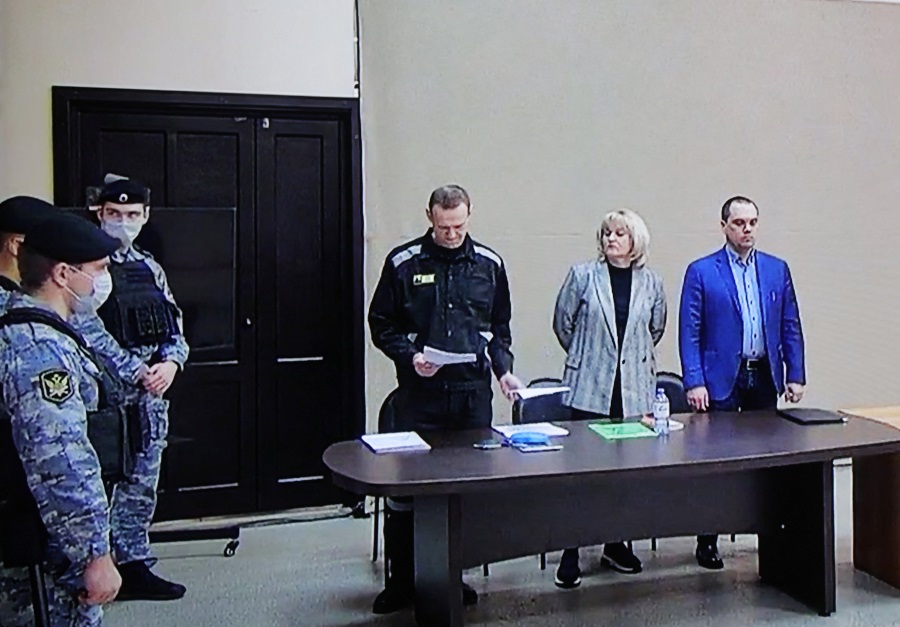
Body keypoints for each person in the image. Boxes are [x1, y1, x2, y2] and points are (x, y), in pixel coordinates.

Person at [368, 184, 523, 614]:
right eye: (443, 227)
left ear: (469, 217)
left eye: (458, 226)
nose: (452, 234)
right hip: (420, 395)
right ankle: (402, 581)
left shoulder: (489, 264)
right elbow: (381, 323)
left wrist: (504, 371)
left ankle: (452, 578)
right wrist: (410, 355)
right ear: (430, 218)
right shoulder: (403, 262)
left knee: (461, 492)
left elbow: (499, 330)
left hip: (471, 397)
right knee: (407, 492)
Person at [0, 211, 125, 626]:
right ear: (63, 274)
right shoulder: (39, 348)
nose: (103, 280)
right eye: (99, 269)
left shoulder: (43, 330)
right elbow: (60, 458)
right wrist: (94, 554)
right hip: (45, 552)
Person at [679, 195, 806, 570]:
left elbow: (790, 324)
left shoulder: (776, 269)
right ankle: (707, 540)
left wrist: (795, 373)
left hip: (763, 374)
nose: (746, 230)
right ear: (724, 226)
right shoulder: (702, 271)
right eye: (738, 223)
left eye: (752, 223)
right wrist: (694, 381)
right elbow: (689, 331)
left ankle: (771, 538)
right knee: (716, 462)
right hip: (719, 380)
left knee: (766, 461)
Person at [79, 176, 188, 600]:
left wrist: (171, 363)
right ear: (99, 214)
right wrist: (135, 369)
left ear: (145, 217)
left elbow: (173, 322)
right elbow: (85, 330)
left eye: (130, 215)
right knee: (99, 486)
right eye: (113, 214)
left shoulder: (148, 266)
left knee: (141, 486)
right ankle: (97, 569)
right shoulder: (85, 265)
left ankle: (134, 565)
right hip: (106, 398)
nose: (122, 222)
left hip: (150, 398)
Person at [551, 208, 667, 588]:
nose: (611, 239)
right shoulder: (582, 276)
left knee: (623, 477)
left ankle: (615, 544)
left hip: (632, 393)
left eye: (619, 233)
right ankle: (570, 551)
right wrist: (589, 357)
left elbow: (655, 329)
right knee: (581, 476)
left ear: (636, 241)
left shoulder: (651, 282)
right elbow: (563, 324)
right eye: (606, 233)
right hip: (589, 389)